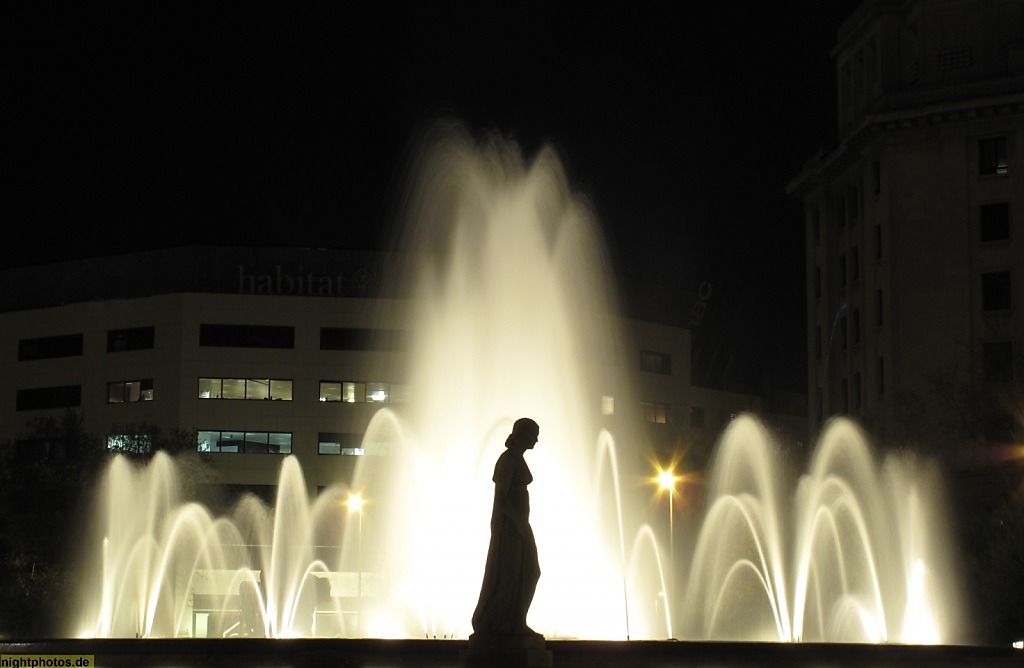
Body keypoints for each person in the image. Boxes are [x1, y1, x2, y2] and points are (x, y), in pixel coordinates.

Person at [471, 417, 542, 638]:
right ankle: (493, 622)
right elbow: (501, 498)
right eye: (534, 435)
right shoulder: (508, 460)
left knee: (529, 572)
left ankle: (516, 621)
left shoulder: (517, 459)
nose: (537, 440)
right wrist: (518, 522)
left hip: (520, 525)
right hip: (510, 528)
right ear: (522, 435)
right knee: (510, 574)